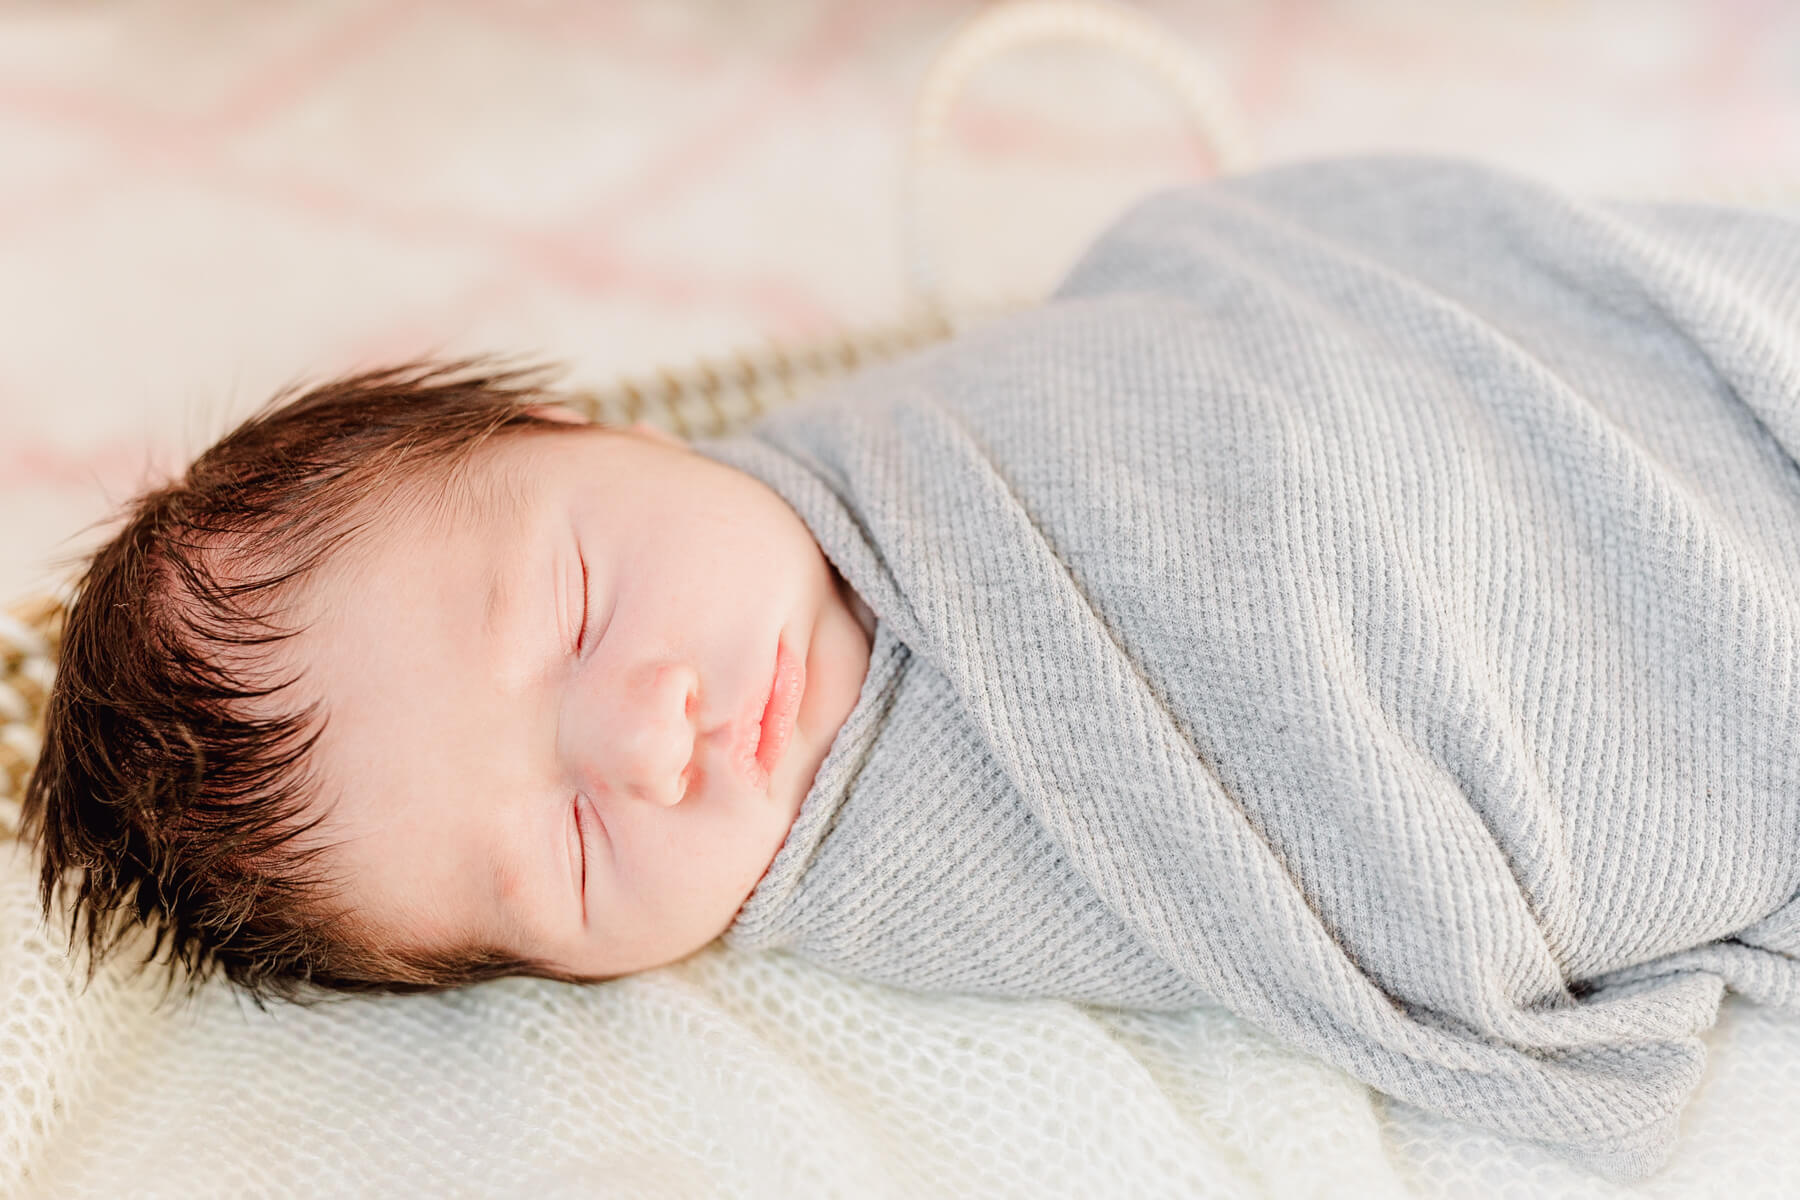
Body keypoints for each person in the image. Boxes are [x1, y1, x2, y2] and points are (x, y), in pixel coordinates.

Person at [21, 154, 1800, 1180]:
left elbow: (1257, 317)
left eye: (574, 605)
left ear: (593, 431)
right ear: (548, 972)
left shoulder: (896, 439)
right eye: (567, 848)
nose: (652, 735)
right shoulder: (895, 875)